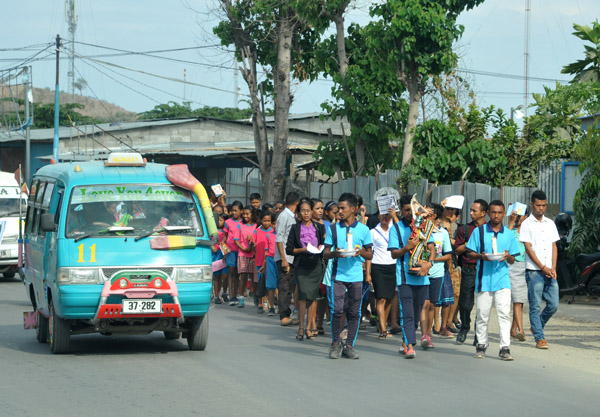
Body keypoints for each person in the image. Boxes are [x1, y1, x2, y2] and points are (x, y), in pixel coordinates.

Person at [466, 200, 520, 361]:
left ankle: (505, 347)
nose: (496, 215)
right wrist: (481, 256)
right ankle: (481, 345)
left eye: (499, 213)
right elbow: (470, 252)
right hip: (484, 279)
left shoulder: (509, 234)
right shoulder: (479, 231)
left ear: (504, 214)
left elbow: (512, 259)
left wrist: (508, 256)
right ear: (488, 213)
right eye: (494, 212)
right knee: (483, 314)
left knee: (504, 314)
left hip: (503, 280)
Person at [324, 193, 373, 359]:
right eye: (338, 208)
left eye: (343, 208)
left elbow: (370, 254)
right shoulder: (333, 229)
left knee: (354, 312)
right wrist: (334, 254)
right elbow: (325, 253)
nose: (339, 211)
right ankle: (335, 343)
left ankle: (349, 345)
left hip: (356, 276)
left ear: (353, 209)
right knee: (337, 310)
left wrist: (360, 252)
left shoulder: (364, 230)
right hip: (338, 276)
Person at [388, 194, 432, 359]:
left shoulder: (424, 225)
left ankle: (406, 341)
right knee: (407, 313)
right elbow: (393, 254)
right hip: (404, 277)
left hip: (422, 276)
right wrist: (407, 247)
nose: (409, 213)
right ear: (402, 210)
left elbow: (432, 248)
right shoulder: (397, 228)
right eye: (406, 210)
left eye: (412, 209)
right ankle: (410, 346)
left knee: (416, 311)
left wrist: (429, 263)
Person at [519, 190, 560, 350]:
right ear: (532, 204)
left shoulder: (550, 223)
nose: (541, 208)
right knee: (535, 305)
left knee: (554, 304)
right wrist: (542, 267)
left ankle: (537, 325)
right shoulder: (526, 224)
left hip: (550, 270)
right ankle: (539, 337)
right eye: (538, 205)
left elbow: (553, 245)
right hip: (534, 271)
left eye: (543, 205)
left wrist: (553, 267)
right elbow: (528, 249)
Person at [286, 199, 326, 341]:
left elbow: (323, 244)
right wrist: (302, 250)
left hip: (315, 265)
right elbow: (289, 249)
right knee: (303, 296)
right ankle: (301, 327)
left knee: (313, 297)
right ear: (298, 213)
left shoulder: (319, 227)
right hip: (302, 265)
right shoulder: (295, 228)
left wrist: (321, 248)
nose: (306, 213)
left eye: (308, 210)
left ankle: (310, 327)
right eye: (303, 211)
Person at [454, 199, 488, 345]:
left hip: (485, 270)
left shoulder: (490, 229)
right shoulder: (465, 229)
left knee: (483, 305)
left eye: (474, 210)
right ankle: (464, 327)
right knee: (465, 304)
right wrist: (470, 244)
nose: (471, 213)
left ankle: (479, 335)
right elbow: (457, 249)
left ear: (483, 213)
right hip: (468, 269)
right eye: (471, 210)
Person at [420, 203, 454, 349]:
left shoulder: (443, 233)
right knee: (424, 304)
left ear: (434, 216)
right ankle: (424, 335)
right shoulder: (420, 230)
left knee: (433, 304)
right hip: (422, 272)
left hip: (438, 272)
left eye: (429, 213)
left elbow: (448, 255)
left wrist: (433, 260)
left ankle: (429, 333)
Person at [365, 209, 398, 339]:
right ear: (378, 215)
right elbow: (369, 254)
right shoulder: (372, 232)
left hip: (392, 266)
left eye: (387, 214)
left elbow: (403, 234)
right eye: (382, 214)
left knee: (389, 298)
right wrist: (368, 273)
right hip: (378, 266)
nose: (384, 217)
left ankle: (382, 322)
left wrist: (394, 216)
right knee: (381, 298)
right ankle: (383, 329)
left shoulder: (394, 229)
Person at [275, 192, 300, 326]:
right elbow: (279, 238)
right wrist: (283, 258)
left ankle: (288, 313)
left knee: (290, 286)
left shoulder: (292, 216)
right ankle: (283, 315)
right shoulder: (284, 216)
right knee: (284, 286)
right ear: (297, 203)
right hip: (285, 257)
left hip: (291, 256)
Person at [508, 207, 529, 341]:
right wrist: (511, 222)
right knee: (516, 299)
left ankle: (514, 329)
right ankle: (521, 329)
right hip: (511, 265)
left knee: (520, 300)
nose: (518, 218)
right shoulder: (510, 230)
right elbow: (503, 240)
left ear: (526, 216)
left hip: (525, 266)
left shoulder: (529, 231)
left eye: (520, 215)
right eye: (516, 215)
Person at [235, 206, 257, 308]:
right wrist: (243, 248)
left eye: (247, 214)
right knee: (243, 276)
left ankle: (257, 298)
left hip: (254, 254)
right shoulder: (240, 226)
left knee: (254, 277)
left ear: (252, 214)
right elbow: (236, 240)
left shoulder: (257, 226)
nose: (245, 216)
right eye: (244, 214)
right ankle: (241, 297)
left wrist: (252, 243)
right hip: (243, 253)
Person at [255, 211, 277, 315]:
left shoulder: (281, 234)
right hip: (265, 261)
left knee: (277, 285)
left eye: (269, 221)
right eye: (265, 220)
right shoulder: (261, 232)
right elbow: (266, 252)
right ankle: (262, 303)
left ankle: (272, 304)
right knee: (263, 283)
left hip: (277, 261)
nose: (267, 223)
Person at [223, 201, 244, 305]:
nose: (234, 213)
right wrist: (224, 252)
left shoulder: (243, 223)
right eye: (233, 211)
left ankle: (236, 294)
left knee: (237, 274)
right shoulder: (228, 222)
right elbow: (225, 237)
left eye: (236, 210)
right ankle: (231, 296)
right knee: (231, 272)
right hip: (230, 250)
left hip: (240, 250)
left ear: (241, 211)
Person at [212, 212, 227, 304]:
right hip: (215, 255)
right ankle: (216, 295)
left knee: (224, 276)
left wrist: (225, 254)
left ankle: (221, 293)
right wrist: (212, 246)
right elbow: (209, 240)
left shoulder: (225, 233)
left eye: (221, 220)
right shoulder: (213, 231)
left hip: (222, 254)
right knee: (216, 276)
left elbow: (225, 244)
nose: (219, 221)